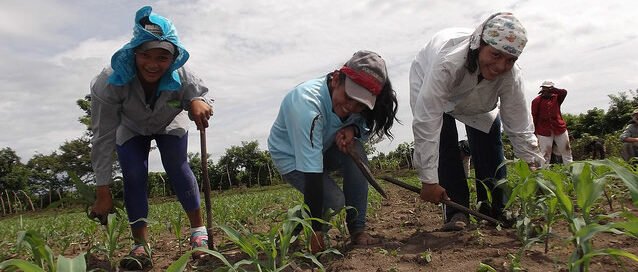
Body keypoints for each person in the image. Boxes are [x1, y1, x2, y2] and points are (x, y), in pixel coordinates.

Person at [88, 6, 213, 270]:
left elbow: (200, 95)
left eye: (162, 57)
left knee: (177, 166)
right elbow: (102, 136)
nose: (153, 65)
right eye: (145, 55)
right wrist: (102, 190)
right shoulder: (109, 82)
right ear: (134, 53)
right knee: (133, 175)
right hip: (131, 126)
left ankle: (198, 233)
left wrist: (198, 102)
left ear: (173, 58)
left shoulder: (182, 74)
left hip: (170, 121)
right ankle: (140, 246)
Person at [409, 12, 544, 231]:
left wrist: (533, 165)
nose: (501, 66)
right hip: (431, 83)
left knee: (489, 137)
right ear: (479, 44)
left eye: (510, 60)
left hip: (479, 100)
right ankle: (457, 211)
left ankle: (493, 206)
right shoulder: (447, 64)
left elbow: (518, 124)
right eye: (495, 55)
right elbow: (427, 121)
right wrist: (428, 181)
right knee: (443, 140)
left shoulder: (510, 76)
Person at [268, 50, 399, 252]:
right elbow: (312, 175)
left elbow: (361, 124)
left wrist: (352, 129)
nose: (350, 107)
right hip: (292, 156)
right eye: (349, 97)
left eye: (360, 104)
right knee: (335, 201)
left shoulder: (353, 105)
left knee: (355, 147)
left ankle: (357, 230)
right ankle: (289, 232)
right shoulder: (306, 105)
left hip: (324, 147)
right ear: (337, 78)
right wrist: (317, 231)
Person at [531, 81, 573, 164]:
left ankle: (570, 171)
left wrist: (553, 90)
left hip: (559, 128)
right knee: (545, 155)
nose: (546, 90)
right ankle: (545, 174)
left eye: (548, 88)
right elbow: (534, 116)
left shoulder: (557, 97)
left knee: (566, 151)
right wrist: (534, 131)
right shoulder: (536, 101)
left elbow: (564, 92)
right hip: (543, 131)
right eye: (544, 88)